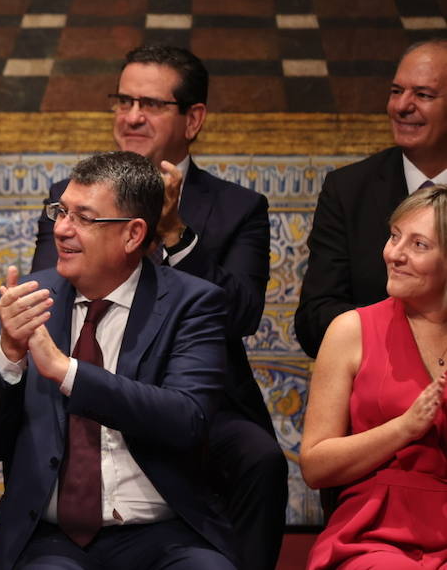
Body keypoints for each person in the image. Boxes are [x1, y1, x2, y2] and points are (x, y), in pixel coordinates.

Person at [31, 45, 285, 570]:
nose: (131, 117)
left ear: (193, 119)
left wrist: (173, 231)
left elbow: (241, 314)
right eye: (122, 101)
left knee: (259, 457)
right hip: (93, 374)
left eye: (150, 103)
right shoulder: (70, 197)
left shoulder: (238, 208)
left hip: (198, 393)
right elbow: (50, 293)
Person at [0, 150, 235, 570]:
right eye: (61, 212)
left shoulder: (191, 304)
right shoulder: (28, 304)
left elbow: (188, 418)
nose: (62, 230)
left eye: (84, 218)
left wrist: (68, 372)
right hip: (52, 536)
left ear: (132, 234)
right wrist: (9, 359)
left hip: (164, 531)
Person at [301, 184, 447, 569]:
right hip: (374, 534)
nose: (394, 254)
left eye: (418, 245)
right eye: (395, 236)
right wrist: (405, 428)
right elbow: (315, 466)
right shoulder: (351, 330)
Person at [296, 39, 447, 357]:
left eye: (422, 95)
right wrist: (404, 345)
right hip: (376, 382)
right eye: (396, 91)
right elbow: (315, 319)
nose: (401, 106)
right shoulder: (349, 190)